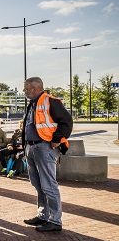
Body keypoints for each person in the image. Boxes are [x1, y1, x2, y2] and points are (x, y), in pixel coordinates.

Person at [22, 77, 72, 232]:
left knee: (49, 185)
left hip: (44, 147)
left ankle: (55, 221)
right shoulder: (33, 104)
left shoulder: (50, 101)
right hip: (31, 148)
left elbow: (66, 122)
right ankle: (43, 215)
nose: (24, 91)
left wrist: (57, 138)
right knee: (38, 184)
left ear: (35, 88)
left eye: (26, 89)